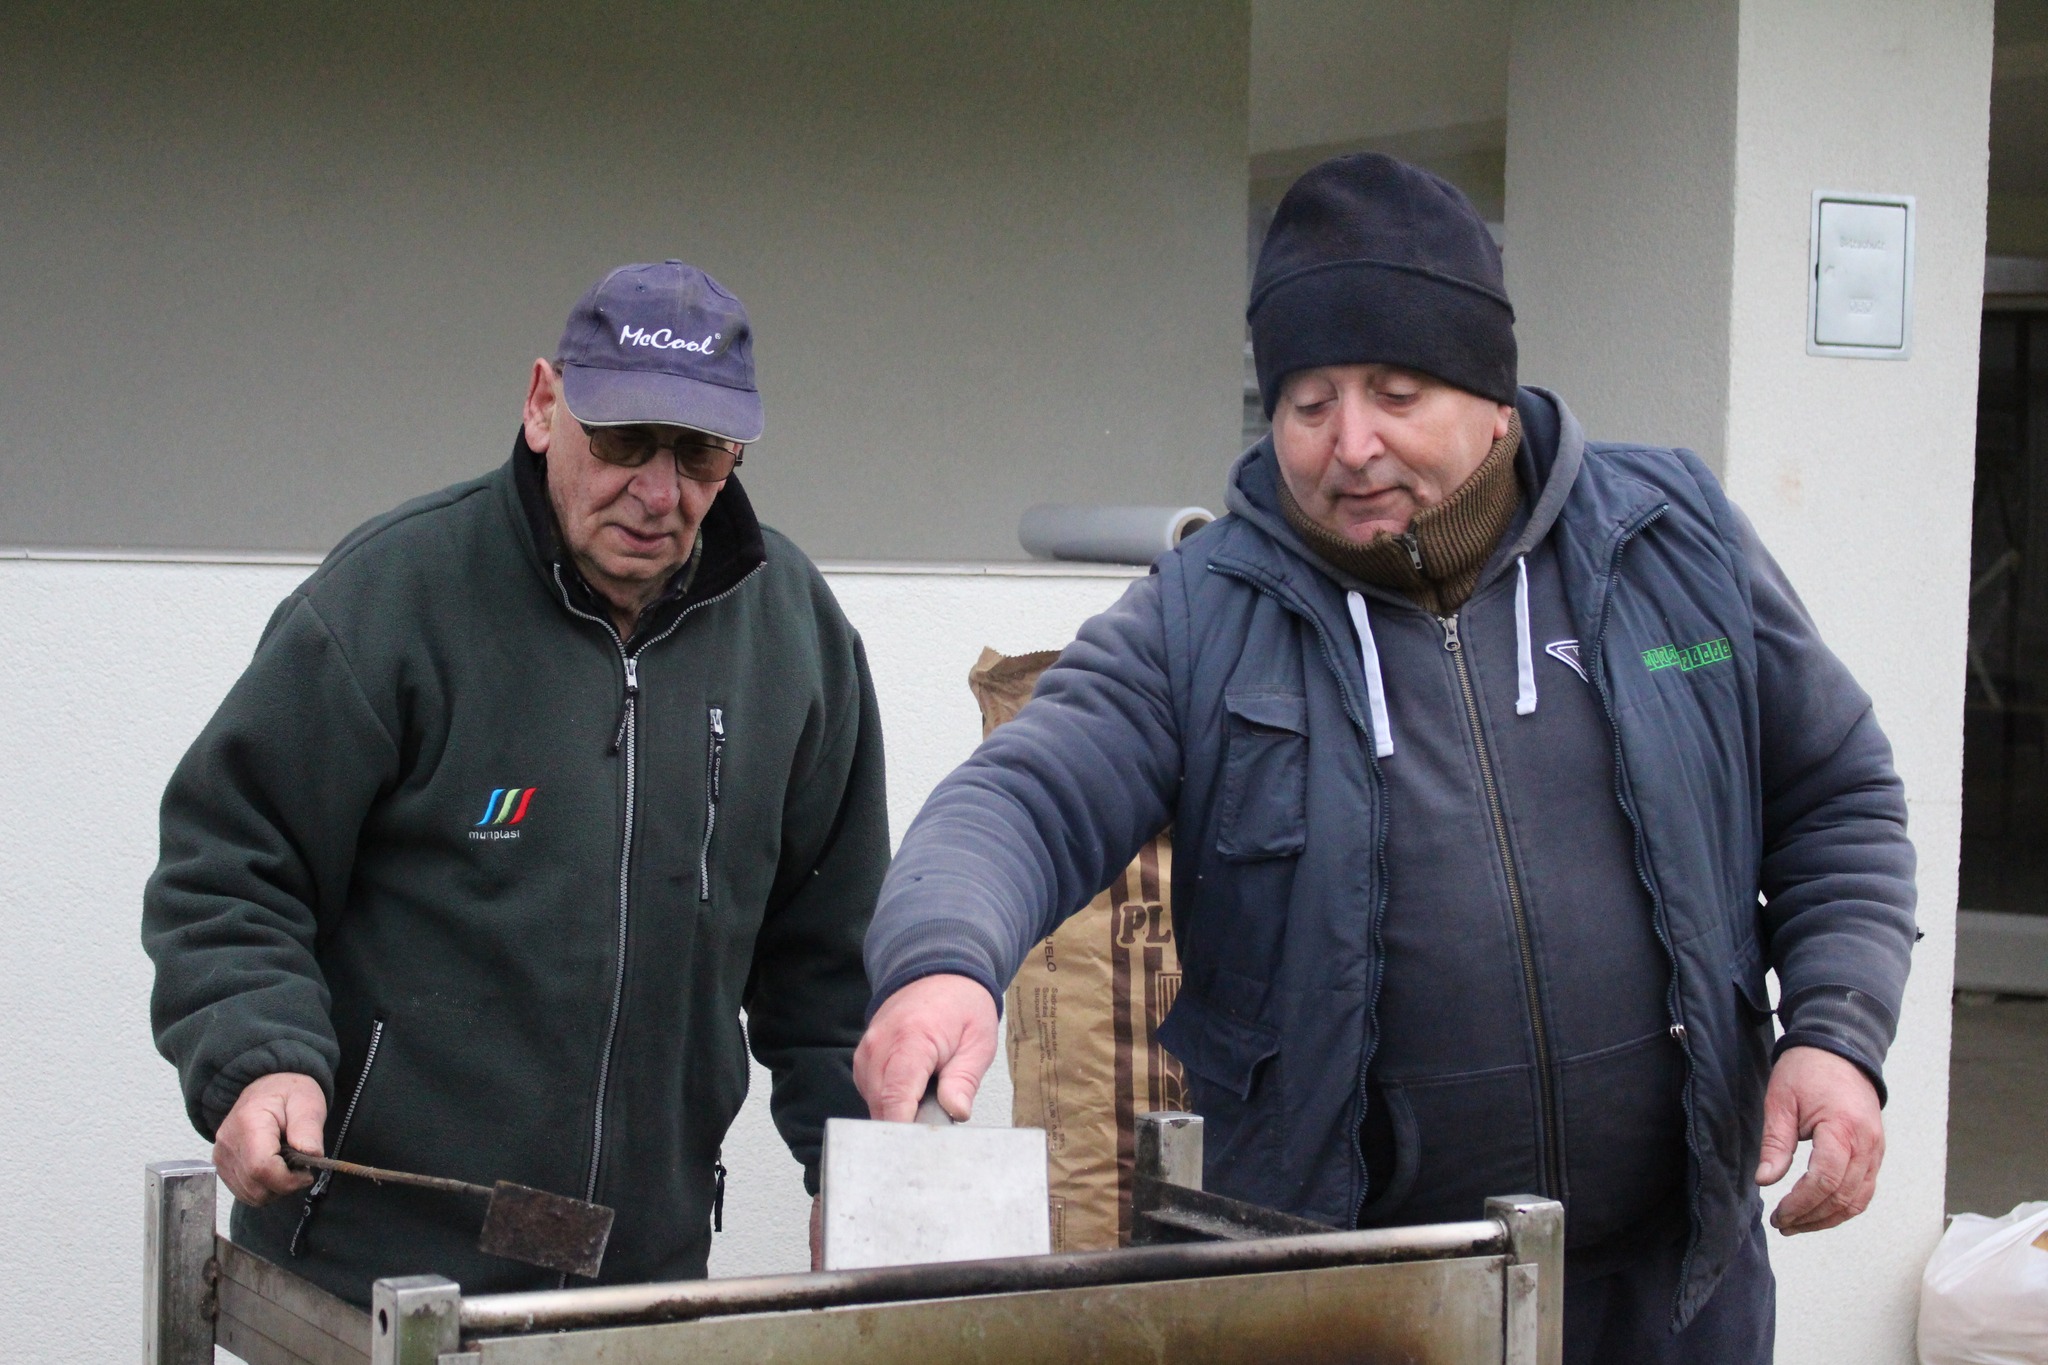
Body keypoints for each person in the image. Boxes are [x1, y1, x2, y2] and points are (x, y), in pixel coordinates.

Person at [854, 156, 1915, 1362]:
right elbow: (1024, 796)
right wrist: (941, 961)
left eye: (1394, 392)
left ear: (1494, 396)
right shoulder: (1203, 615)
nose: (1349, 444)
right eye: (1307, 405)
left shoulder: (1669, 541)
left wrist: (1834, 1032)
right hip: (1347, 1307)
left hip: (1668, 1292)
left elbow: (1836, 800)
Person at [144, 260, 887, 1304]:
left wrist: (857, 1181)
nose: (659, 492)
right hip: (361, 1269)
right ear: (544, 406)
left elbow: (831, 961)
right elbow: (229, 869)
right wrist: (258, 1058)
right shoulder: (395, 597)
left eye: (702, 453)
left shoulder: (796, 636)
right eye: (624, 443)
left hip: (635, 1286)